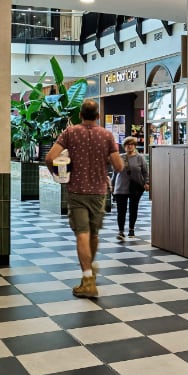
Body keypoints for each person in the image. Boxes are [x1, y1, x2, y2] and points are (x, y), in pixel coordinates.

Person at [46, 99, 123, 298]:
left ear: (80, 115)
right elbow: (119, 166)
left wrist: (58, 175)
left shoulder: (70, 132)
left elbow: (50, 157)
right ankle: (89, 272)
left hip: (77, 191)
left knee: (82, 234)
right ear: (98, 116)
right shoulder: (107, 135)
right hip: (99, 192)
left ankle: (88, 278)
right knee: (93, 234)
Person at [113, 137, 149, 240]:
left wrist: (147, 183)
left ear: (135, 146)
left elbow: (145, 172)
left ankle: (131, 229)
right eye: (127, 144)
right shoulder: (120, 157)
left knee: (133, 209)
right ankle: (121, 231)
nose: (129, 146)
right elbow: (115, 173)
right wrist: (112, 185)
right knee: (121, 210)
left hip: (135, 187)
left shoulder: (140, 158)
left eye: (132, 144)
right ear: (124, 146)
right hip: (121, 187)